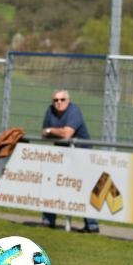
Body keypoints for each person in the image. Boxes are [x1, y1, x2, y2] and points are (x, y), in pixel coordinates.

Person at [41, 89, 99, 233]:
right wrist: (53, 132)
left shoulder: (74, 111)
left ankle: (92, 225)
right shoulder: (50, 111)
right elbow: (43, 133)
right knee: (51, 183)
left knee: (83, 188)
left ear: (68, 100)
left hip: (82, 154)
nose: (58, 103)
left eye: (62, 100)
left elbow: (67, 134)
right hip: (61, 155)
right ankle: (48, 220)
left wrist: (51, 131)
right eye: (55, 100)